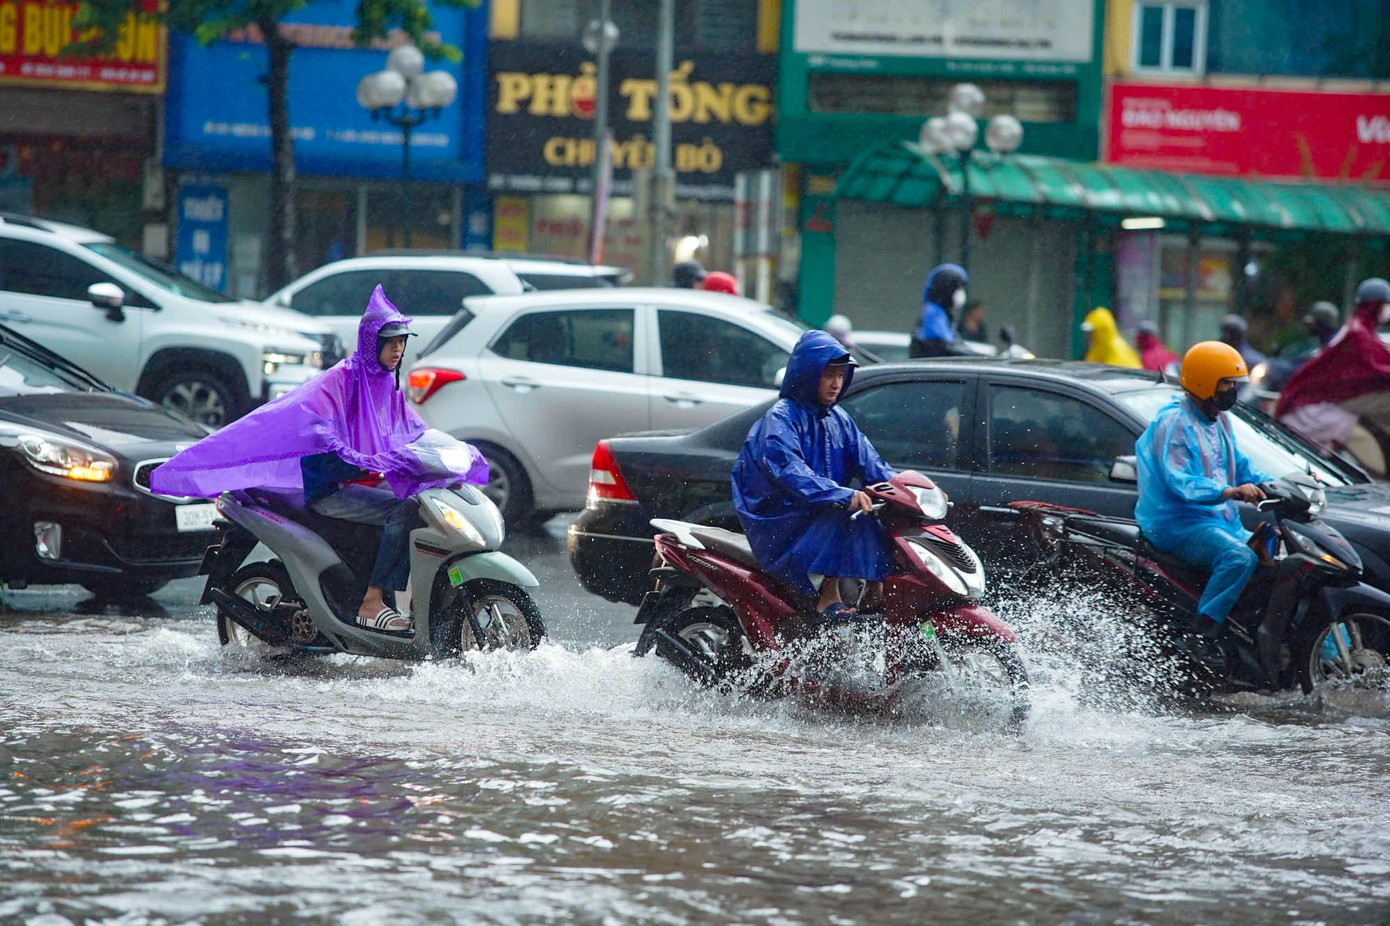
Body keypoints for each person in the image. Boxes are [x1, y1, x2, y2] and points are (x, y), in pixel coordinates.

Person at [150, 286, 489, 633]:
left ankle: (413, 603)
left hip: (363, 482)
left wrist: (449, 455)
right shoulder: (340, 379)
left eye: (402, 341)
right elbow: (317, 425)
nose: (398, 349)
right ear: (371, 342)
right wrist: (357, 457)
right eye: (390, 342)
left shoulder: (387, 384)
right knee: (406, 512)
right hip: (330, 489)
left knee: (419, 504)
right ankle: (372, 603)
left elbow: (414, 430)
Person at [732, 330, 898, 619]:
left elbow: (872, 464)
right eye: (828, 375)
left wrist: (910, 490)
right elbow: (790, 472)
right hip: (778, 518)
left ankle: (874, 589)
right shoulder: (781, 418)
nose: (836, 384)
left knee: (874, 511)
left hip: (811, 508)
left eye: (841, 375)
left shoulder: (838, 418)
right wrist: (842, 494)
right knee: (844, 512)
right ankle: (827, 595)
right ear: (808, 374)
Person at [1135, 341, 1274, 640]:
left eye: (1234, 383)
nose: (1231, 390)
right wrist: (1229, 492)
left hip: (1218, 520)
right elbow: (1179, 479)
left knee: (1275, 554)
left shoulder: (1219, 419)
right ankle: (1202, 632)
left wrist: (1281, 483)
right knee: (1240, 558)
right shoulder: (1173, 422)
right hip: (1177, 523)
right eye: (1225, 382)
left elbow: (1239, 462)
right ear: (1204, 380)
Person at [1276, 278, 1390, 476]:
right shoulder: (1357, 334)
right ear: (1376, 305)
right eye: (1385, 305)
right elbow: (1378, 366)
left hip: (1329, 400)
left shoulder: (1358, 330)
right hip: (1326, 403)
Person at [909, 263, 970, 358]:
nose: (960, 293)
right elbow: (947, 348)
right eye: (958, 288)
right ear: (947, 289)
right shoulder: (933, 314)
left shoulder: (942, 314)